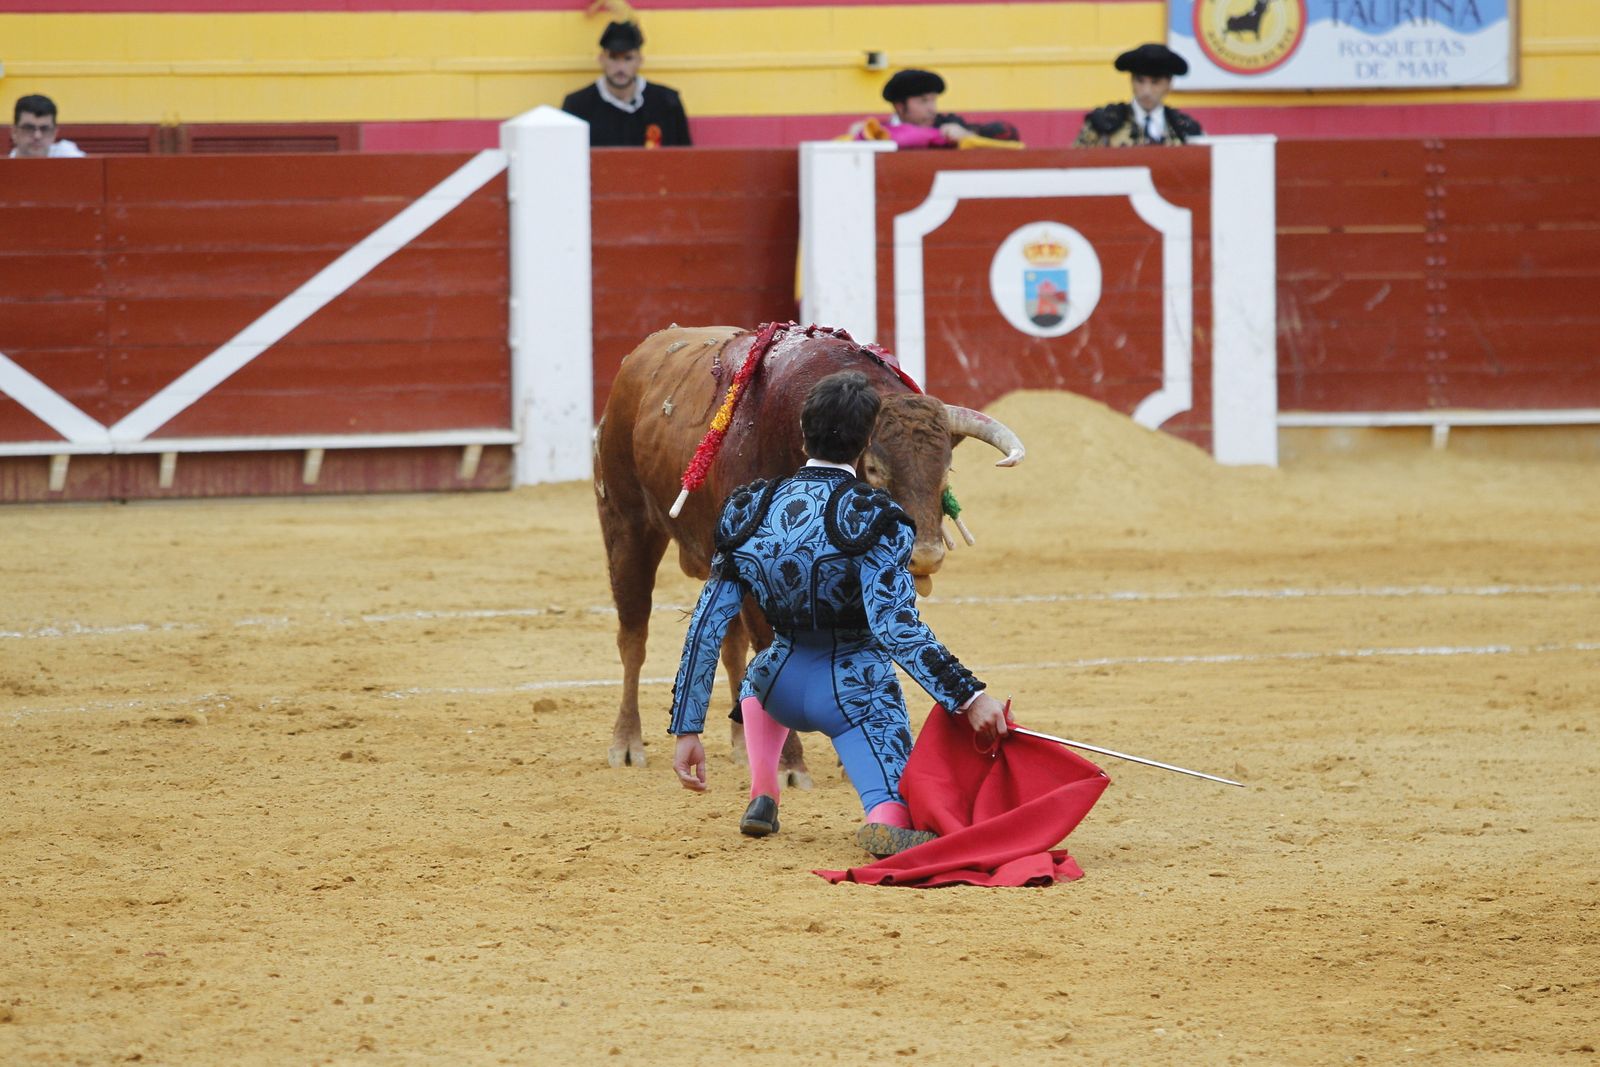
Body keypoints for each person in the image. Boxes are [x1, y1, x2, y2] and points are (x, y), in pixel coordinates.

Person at [667, 371, 1011, 858]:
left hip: (773, 687)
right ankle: (885, 814)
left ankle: (763, 792)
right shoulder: (878, 518)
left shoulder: (748, 507)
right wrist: (968, 697)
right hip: (851, 694)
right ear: (868, 441)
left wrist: (688, 728)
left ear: (803, 432)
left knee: (760, 669)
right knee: (895, 804)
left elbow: (707, 625)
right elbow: (896, 628)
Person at [560, 20, 691, 147]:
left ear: (639, 60)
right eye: (613, 57)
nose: (621, 67)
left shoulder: (667, 103)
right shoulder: (577, 106)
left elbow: (685, 160)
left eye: (628, 58)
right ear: (601, 59)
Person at [849, 68, 1021, 150]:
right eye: (923, 101)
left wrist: (967, 136)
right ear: (900, 106)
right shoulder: (881, 132)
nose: (932, 109)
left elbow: (1006, 135)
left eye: (933, 100)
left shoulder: (950, 124)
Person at [1073, 43, 1203, 148]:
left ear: (1168, 84)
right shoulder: (1103, 123)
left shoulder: (1185, 129)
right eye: (1140, 81)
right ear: (1132, 81)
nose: (1146, 91)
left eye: (1155, 83)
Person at [10, 95, 86, 159]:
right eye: (28, 128)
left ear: (54, 133)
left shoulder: (66, 154)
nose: (37, 136)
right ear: (14, 132)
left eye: (45, 129)